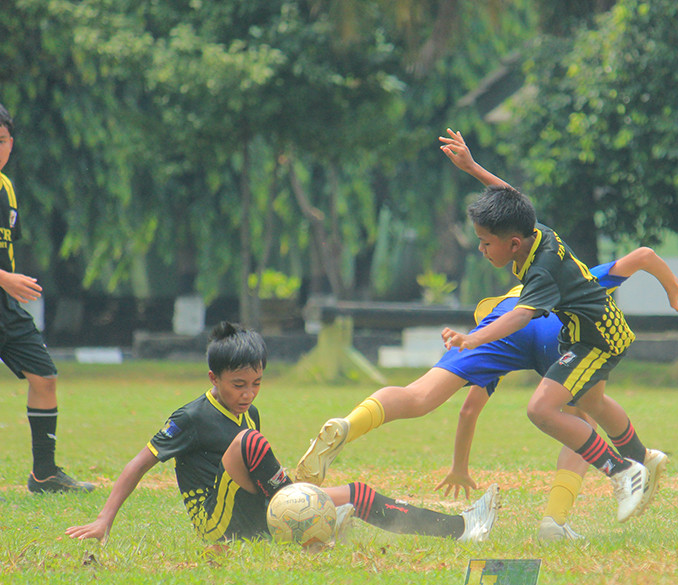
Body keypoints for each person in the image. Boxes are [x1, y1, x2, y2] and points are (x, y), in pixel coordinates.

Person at [298, 132, 666, 526]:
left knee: (423, 396)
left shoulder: (543, 279)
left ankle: (350, 424)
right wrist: (473, 168)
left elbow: (480, 390)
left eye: (485, 243)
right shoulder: (536, 235)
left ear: (513, 244)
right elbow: (515, 202)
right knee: (584, 410)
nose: (480, 249)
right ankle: (566, 514)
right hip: (552, 335)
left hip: (533, 330)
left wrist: (473, 338)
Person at [65, 322, 499, 545]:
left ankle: (460, 527)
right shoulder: (192, 417)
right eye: (238, 385)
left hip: (254, 510)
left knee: (358, 494)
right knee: (250, 443)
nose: (248, 394)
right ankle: (303, 507)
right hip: (217, 523)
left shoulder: (250, 412)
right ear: (214, 378)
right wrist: (104, 520)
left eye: (256, 383)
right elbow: (138, 463)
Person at [437, 246, 678, 541]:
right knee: (590, 407)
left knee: (578, 415)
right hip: (580, 346)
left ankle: (609, 482)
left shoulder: (500, 337)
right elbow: (643, 256)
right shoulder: (568, 281)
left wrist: (459, 467)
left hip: (572, 349)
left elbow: (468, 410)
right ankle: (635, 462)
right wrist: (674, 286)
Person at [0, 102, 93, 494]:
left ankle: (44, 474)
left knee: (44, 377)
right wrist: (5, 278)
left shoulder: (6, 188)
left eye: (2, 140)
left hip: (5, 308)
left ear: (11, 143)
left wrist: (9, 283)